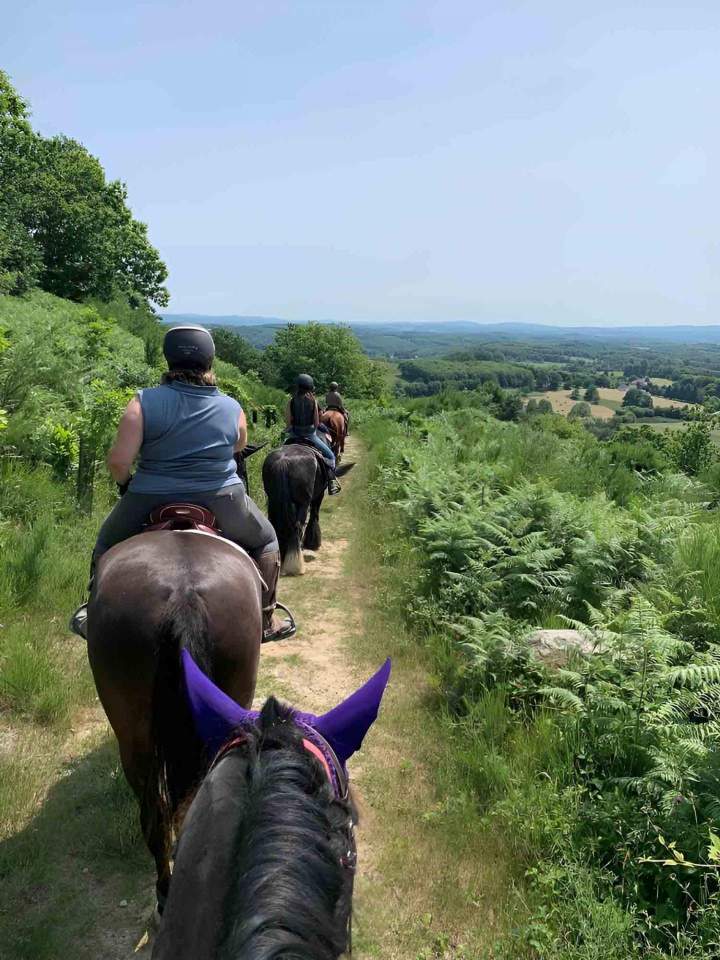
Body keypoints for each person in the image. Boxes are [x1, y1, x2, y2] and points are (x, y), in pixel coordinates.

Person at [69, 325, 295, 643]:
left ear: (168, 359)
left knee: (106, 543)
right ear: (209, 360)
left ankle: (93, 614)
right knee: (266, 541)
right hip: (222, 497)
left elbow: (119, 461)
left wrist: (126, 485)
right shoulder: (232, 407)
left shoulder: (142, 402)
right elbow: (237, 445)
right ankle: (266, 618)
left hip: (149, 494)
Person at [286, 374, 341, 495]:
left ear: (298, 386)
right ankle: (331, 482)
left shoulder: (291, 401)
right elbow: (316, 423)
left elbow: (289, 422)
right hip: (310, 435)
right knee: (331, 456)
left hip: (294, 435)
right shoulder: (313, 401)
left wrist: (290, 429)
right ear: (310, 387)